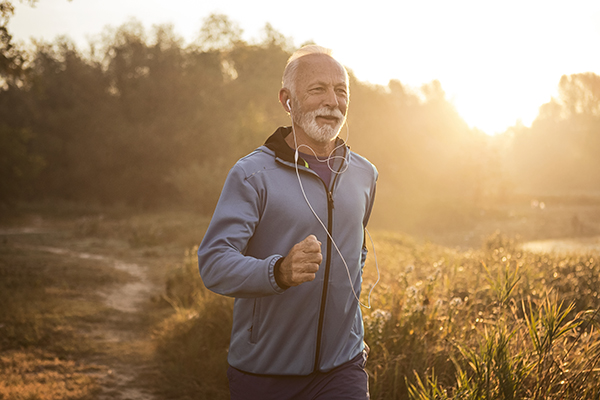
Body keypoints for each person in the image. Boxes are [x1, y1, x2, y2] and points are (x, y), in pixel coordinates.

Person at [197, 45, 378, 400]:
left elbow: (357, 253)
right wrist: (278, 271)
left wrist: (349, 334)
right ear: (287, 100)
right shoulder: (252, 175)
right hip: (265, 372)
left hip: (343, 368)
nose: (332, 101)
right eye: (318, 89)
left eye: (341, 90)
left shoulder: (365, 174)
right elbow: (214, 263)